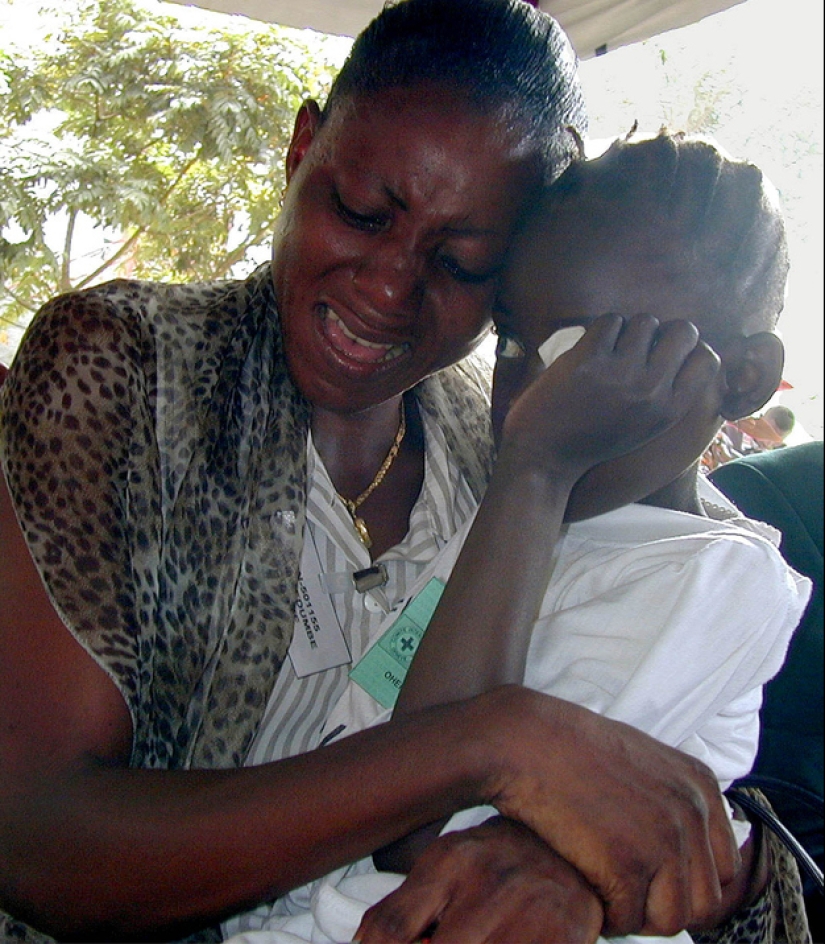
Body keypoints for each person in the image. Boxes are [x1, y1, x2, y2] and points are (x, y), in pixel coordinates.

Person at [0, 2, 757, 940]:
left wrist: (573, 861)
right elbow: (37, 841)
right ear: (301, 149)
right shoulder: (128, 367)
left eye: (463, 262)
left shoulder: (525, 440)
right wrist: (492, 745)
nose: (391, 288)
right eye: (362, 213)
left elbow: (704, 746)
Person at [218, 130, 811, 944]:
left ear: (740, 376)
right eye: (513, 346)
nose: (524, 403)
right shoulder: (541, 516)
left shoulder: (705, 582)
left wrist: (533, 472)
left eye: (578, 356)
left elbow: (419, 816)